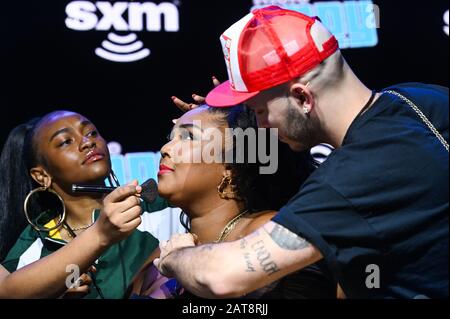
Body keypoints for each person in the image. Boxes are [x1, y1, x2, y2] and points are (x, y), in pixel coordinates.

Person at [154, 6, 449, 299]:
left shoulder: (351, 178)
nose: (259, 127)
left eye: (260, 111)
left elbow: (222, 277)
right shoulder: (424, 97)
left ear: (301, 97)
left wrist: (176, 256)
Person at [127, 104, 336, 299]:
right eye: (171, 137)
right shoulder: (158, 259)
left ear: (231, 165)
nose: (166, 148)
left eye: (188, 137)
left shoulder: (266, 232)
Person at [0, 110, 167, 298]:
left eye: (91, 133)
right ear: (42, 175)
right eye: (65, 142)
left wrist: (205, 122)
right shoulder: (36, 241)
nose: (88, 142)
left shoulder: (156, 206)